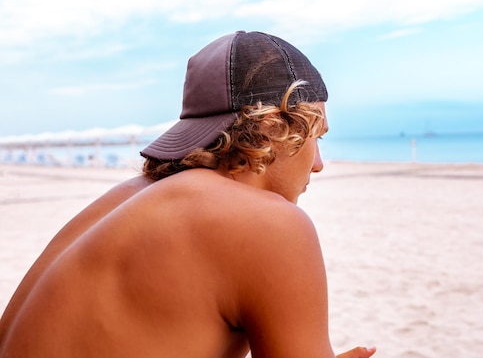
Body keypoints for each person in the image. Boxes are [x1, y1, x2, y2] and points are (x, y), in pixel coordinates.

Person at [0, 31, 377, 358]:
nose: (318, 164)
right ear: (275, 128)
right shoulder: (271, 225)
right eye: (317, 138)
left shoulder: (133, 197)